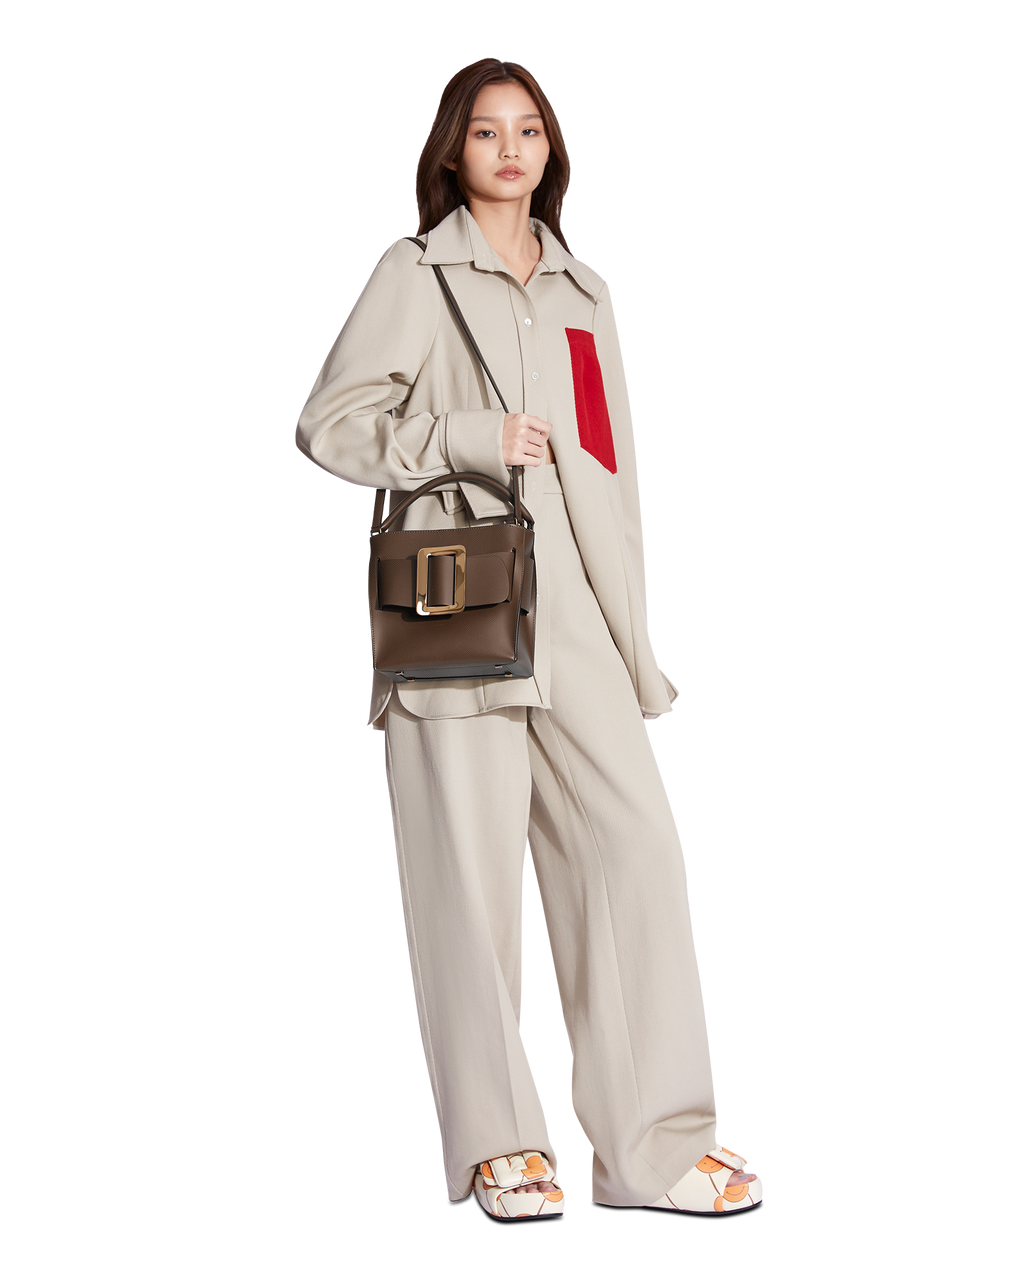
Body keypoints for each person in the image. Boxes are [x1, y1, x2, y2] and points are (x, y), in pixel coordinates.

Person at [293, 55, 765, 1219]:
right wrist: (464, 435)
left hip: (574, 617)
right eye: (486, 131)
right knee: (466, 869)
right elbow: (328, 424)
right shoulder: (414, 270)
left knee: (635, 848)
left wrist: (632, 636)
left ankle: (649, 1147)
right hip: (456, 593)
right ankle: (503, 1143)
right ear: (451, 151)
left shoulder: (583, 290)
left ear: (551, 148)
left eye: (529, 130)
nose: (510, 149)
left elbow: (610, 470)